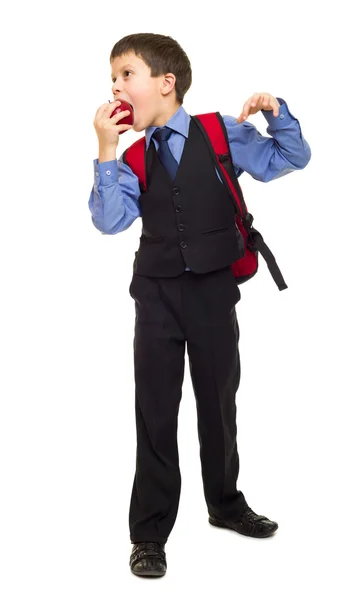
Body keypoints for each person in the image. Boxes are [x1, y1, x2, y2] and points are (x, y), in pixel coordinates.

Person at [89, 32, 311, 578]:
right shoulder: (136, 155)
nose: (115, 87)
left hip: (213, 291)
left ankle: (226, 504)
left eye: (125, 75)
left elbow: (292, 156)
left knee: (218, 402)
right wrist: (106, 151)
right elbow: (110, 221)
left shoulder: (219, 133)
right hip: (157, 296)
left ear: (166, 84)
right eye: (111, 78)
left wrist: (276, 112)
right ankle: (148, 533)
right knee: (156, 412)